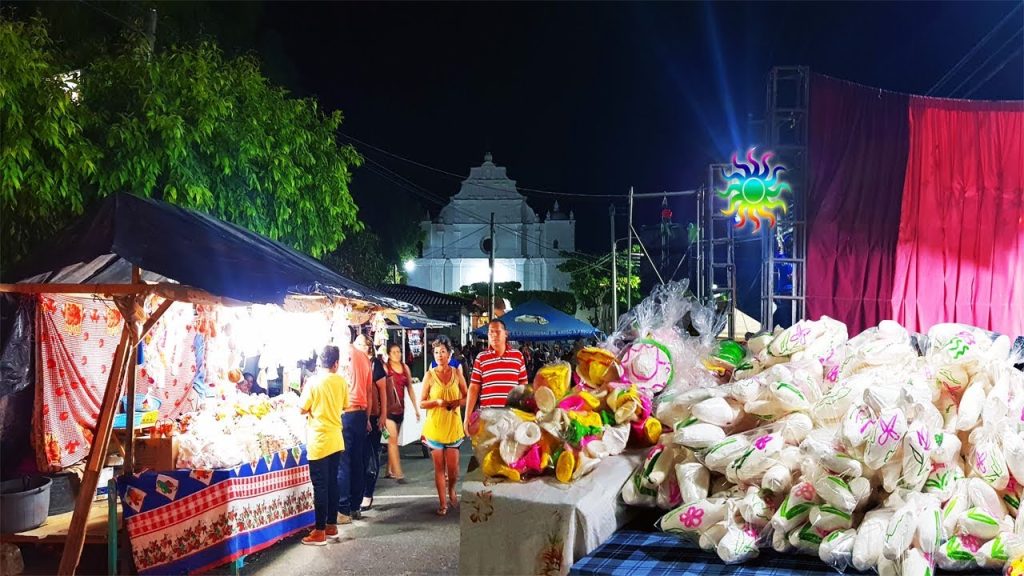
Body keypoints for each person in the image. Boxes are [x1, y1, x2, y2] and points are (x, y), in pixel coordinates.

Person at [299, 345, 348, 546]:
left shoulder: (313, 382)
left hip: (318, 440)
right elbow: (345, 406)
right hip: (336, 439)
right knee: (332, 483)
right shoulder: (341, 381)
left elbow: (302, 408)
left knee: (320, 486)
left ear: (321, 362)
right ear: (336, 363)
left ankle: (319, 531)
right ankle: (331, 525)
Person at [420, 336, 467, 516]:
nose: (439, 355)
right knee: (439, 468)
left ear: (449, 354)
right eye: (436, 352)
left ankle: (452, 489)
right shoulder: (429, 376)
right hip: (435, 428)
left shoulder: (457, 373)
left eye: (443, 352)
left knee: (453, 470)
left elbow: (466, 396)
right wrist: (437, 402)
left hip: (453, 428)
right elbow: (422, 403)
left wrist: (456, 402)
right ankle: (442, 503)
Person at [464, 319, 528, 427]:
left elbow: (523, 385)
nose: (493, 335)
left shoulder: (517, 356)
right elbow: (474, 388)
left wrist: (525, 412)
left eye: (497, 332)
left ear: (506, 334)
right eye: (490, 332)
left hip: (512, 418)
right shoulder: (481, 357)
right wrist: (467, 417)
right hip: (487, 419)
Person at [337, 334, 374, 523]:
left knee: (344, 463)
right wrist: (367, 418)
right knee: (358, 462)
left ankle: (343, 510)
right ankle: (355, 507)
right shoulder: (364, 358)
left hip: (345, 414)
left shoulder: (342, 356)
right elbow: (369, 392)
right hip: (360, 414)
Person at [382, 343, 419, 482]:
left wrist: (416, 408)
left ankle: (388, 470)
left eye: (399, 351)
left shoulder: (405, 368)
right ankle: (398, 473)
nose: (397, 354)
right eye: (394, 352)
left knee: (393, 440)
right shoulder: (386, 368)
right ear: (389, 354)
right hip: (388, 410)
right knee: (392, 440)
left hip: (400, 409)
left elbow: (409, 388)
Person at [361, 349, 389, 511]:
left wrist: (383, 415)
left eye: (360, 344)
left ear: (368, 348)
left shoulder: (375, 366)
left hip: (373, 416)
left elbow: (383, 393)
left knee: (371, 455)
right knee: (363, 456)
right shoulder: (357, 364)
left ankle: (368, 493)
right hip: (361, 415)